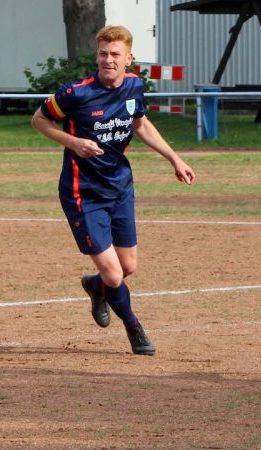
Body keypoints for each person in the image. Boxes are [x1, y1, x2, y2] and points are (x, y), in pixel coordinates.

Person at [31, 25, 196, 356]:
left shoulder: (134, 86)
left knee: (128, 266)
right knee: (114, 271)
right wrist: (73, 142)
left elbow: (140, 125)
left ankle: (96, 287)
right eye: (103, 54)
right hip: (83, 193)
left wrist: (174, 158)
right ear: (97, 55)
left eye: (115, 54)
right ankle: (134, 327)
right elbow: (39, 120)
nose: (108, 60)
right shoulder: (74, 94)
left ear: (128, 58)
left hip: (120, 186)